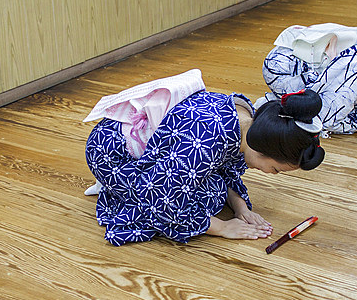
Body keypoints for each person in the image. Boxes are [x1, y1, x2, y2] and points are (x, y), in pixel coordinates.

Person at [84, 76, 325, 246]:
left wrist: (240, 207)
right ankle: (114, 185)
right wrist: (221, 228)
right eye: (275, 169)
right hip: (112, 152)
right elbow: (164, 199)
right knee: (204, 199)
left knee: (214, 190)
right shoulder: (206, 141)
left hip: (162, 146)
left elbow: (224, 166)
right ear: (263, 149)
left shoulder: (245, 120)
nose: (271, 174)